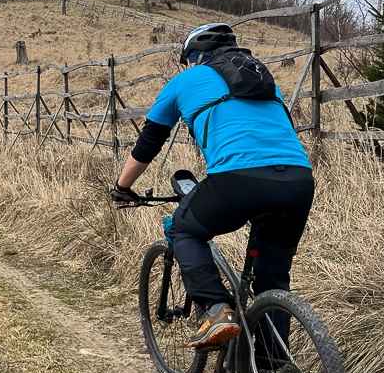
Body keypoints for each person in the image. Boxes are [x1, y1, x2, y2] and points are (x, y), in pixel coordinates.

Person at [111, 23, 314, 351]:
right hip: (298, 181)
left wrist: (122, 187)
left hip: (238, 179)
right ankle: (274, 372)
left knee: (183, 230)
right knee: (272, 278)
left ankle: (217, 310)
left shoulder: (185, 81)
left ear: (196, 56)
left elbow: (148, 143)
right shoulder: (265, 82)